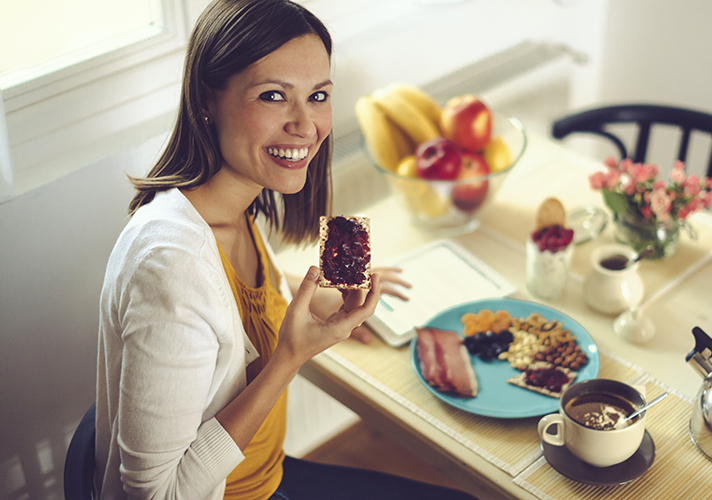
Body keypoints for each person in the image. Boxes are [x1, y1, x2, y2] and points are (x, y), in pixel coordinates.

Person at [95, 1, 478, 499]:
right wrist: (289, 358)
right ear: (206, 100)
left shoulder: (235, 208)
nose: (305, 124)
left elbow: (230, 307)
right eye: (274, 96)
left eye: (318, 95)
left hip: (271, 474)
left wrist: (312, 293)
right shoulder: (170, 268)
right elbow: (153, 494)